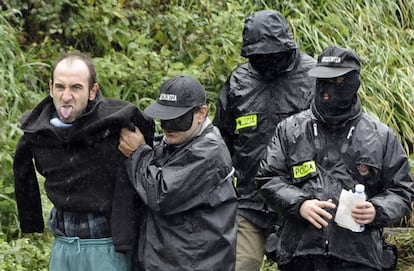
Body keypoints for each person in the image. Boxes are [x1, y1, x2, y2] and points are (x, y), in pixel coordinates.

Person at [256, 45, 414, 270]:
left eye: (336, 81)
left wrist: (376, 210)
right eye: (322, 80)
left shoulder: (380, 136)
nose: (326, 90)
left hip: (358, 256)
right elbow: (267, 178)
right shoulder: (290, 129)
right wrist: (299, 204)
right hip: (300, 253)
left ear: (353, 83)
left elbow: (402, 190)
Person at [13, 52, 154, 271]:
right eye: (60, 87)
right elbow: (22, 170)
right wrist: (30, 220)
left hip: (106, 248)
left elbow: (151, 167)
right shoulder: (38, 129)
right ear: (51, 88)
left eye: (76, 87)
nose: (66, 96)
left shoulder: (117, 123)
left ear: (92, 91)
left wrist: (140, 151)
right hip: (63, 246)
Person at [213, 9, 316, 270]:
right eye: (259, 56)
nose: (267, 61)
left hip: (301, 200)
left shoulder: (314, 78)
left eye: (272, 54)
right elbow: (220, 139)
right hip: (250, 200)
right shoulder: (238, 82)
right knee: (240, 264)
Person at [118, 75, 238, 271]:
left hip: (194, 264)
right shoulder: (177, 142)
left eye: (178, 120)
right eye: (164, 119)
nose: (169, 128)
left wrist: (137, 153)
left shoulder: (209, 152)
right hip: (167, 261)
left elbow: (160, 194)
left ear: (201, 113)